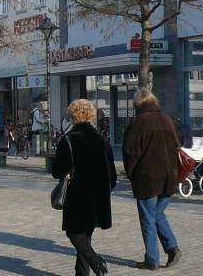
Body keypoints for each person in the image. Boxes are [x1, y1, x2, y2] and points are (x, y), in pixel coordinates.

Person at [52, 99, 116, 276]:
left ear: (72, 116)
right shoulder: (102, 141)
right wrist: (103, 190)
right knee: (85, 236)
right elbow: (113, 176)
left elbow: (57, 171)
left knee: (75, 235)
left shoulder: (69, 140)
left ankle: (96, 261)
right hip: (97, 199)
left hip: (76, 198)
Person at [123, 89, 182, 270]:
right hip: (169, 175)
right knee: (157, 213)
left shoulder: (137, 123)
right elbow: (177, 145)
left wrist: (131, 174)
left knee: (148, 217)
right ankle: (172, 248)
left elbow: (130, 153)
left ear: (137, 104)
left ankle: (152, 259)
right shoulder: (167, 120)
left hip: (147, 177)